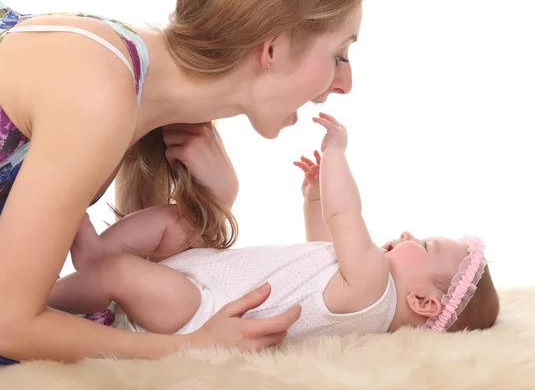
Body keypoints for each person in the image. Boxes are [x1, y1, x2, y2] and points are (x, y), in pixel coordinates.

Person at [0, 0, 364, 364]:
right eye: (340, 55)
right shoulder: (100, 94)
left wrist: (221, 197)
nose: (345, 83)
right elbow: (9, 325)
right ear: (271, 50)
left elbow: (137, 281)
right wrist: (193, 347)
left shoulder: (140, 71)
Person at [48, 113, 500, 338]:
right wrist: (315, 198)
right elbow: (324, 241)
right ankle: (93, 254)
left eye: (421, 245)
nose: (405, 235)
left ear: (423, 301)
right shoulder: (361, 295)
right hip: (201, 277)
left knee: (123, 274)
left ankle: (41, 298)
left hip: (199, 311)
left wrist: (337, 152)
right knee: (176, 221)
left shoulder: (374, 286)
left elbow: (345, 219)